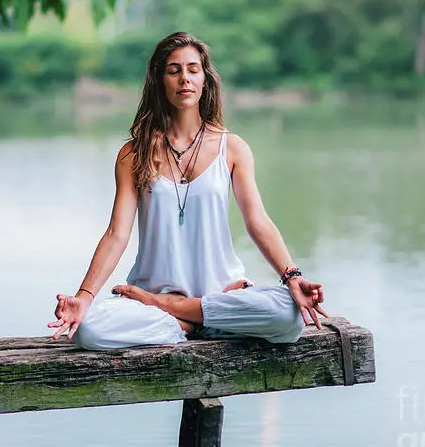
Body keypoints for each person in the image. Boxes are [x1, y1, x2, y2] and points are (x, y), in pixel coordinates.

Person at [48, 32, 327, 350]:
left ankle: (176, 311)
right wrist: (84, 297)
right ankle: (191, 321)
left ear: (205, 79)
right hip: (156, 296)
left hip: (221, 294)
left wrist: (292, 277)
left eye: (193, 69)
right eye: (174, 70)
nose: (185, 79)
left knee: (288, 317)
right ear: (159, 80)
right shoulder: (132, 154)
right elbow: (116, 234)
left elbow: (257, 221)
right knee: (90, 331)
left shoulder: (232, 148)